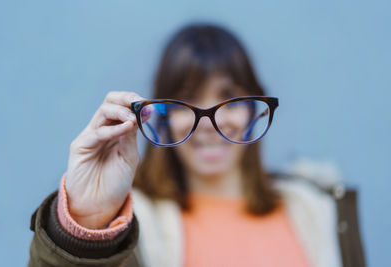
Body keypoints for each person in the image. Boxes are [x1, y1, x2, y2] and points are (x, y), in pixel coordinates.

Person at [28, 24, 365, 267]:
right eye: (187, 100)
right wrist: (88, 224)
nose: (208, 123)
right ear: (160, 117)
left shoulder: (316, 210)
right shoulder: (128, 227)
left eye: (229, 98)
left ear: (255, 108)